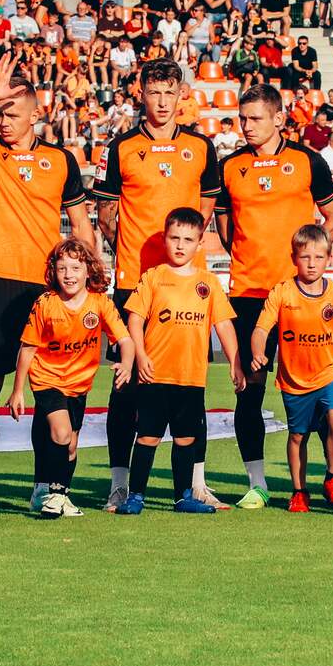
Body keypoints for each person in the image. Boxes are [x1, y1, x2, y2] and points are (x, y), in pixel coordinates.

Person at [0, 59, 96, 513]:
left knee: (48, 389)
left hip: (48, 292)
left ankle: (43, 487)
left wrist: (91, 280)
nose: (3, 121)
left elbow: (80, 226)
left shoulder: (60, 160)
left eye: (11, 113)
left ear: (36, 114)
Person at [94, 61, 221, 507]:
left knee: (191, 387)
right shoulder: (122, 147)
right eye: (154, 92)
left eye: (170, 92)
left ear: (181, 94)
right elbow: (106, 214)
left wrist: (183, 255)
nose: (162, 102)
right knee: (126, 387)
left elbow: (205, 208)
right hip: (134, 282)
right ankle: (120, 482)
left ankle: (196, 483)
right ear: (141, 93)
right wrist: (131, 250)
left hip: (188, 286)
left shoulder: (201, 147)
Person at [214, 84, 333, 507]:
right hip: (248, 294)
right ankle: (258, 484)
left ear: (278, 119)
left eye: (255, 118)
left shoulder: (308, 161)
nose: (247, 126)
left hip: (299, 296)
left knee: (317, 391)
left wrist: (310, 259)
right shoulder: (229, 166)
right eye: (242, 118)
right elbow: (226, 230)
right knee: (249, 388)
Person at [248, 223, 333, 513]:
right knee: (298, 436)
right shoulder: (282, 293)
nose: (312, 263)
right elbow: (260, 329)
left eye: (319, 257)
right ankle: (299, 492)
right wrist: (258, 351)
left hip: (332, 372)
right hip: (295, 380)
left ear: (329, 259)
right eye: (305, 257)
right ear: (294, 258)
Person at [122, 207, 244, 514]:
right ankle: (135, 496)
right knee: (147, 437)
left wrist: (235, 361)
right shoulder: (154, 277)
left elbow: (224, 325)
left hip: (190, 377)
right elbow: (135, 320)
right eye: (174, 238)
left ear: (200, 244)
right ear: (165, 239)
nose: (180, 245)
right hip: (154, 375)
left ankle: (183, 497)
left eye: (188, 240)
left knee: (186, 438)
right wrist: (141, 355)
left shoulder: (208, 283)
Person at [8, 238, 133, 519]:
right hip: (47, 378)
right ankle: (54, 495)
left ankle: (58, 495)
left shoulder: (100, 303)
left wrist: (126, 364)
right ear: (54, 271)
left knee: (71, 446)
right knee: (62, 433)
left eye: (75, 268)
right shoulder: (45, 303)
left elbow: (125, 340)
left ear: (89, 270)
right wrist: (17, 390)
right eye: (62, 268)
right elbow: (27, 349)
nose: (68, 275)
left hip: (79, 384)